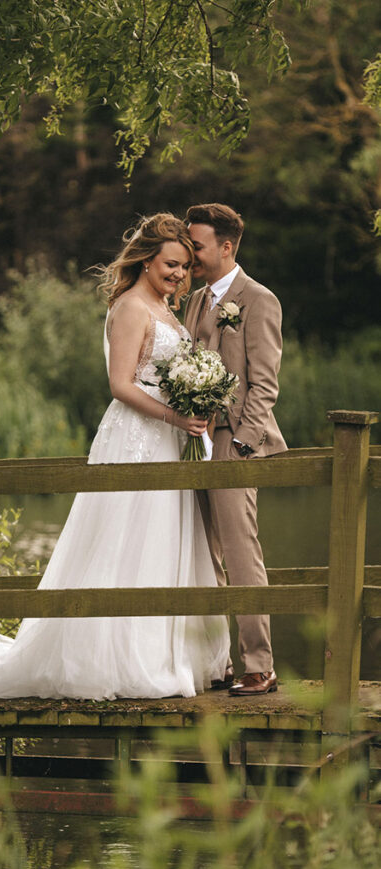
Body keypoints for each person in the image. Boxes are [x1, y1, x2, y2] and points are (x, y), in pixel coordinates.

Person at [0, 213, 230, 700]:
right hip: (138, 437)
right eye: (170, 264)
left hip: (170, 439)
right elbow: (120, 385)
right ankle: (118, 658)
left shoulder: (167, 309)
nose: (179, 275)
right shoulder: (130, 308)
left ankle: (168, 652)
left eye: (185, 266)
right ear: (146, 261)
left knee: (164, 538)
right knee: (125, 540)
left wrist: (195, 403)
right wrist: (174, 416)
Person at [185, 203, 287, 696]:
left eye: (197, 246)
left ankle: (260, 667)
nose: (190, 255)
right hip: (192, 442)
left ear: (227, 247)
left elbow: (265, 385)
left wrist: (243, 442)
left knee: (241, 553)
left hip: (233, 443)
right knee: (203, 554)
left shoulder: (259, 300)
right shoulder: (194, 299)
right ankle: (217, 660)